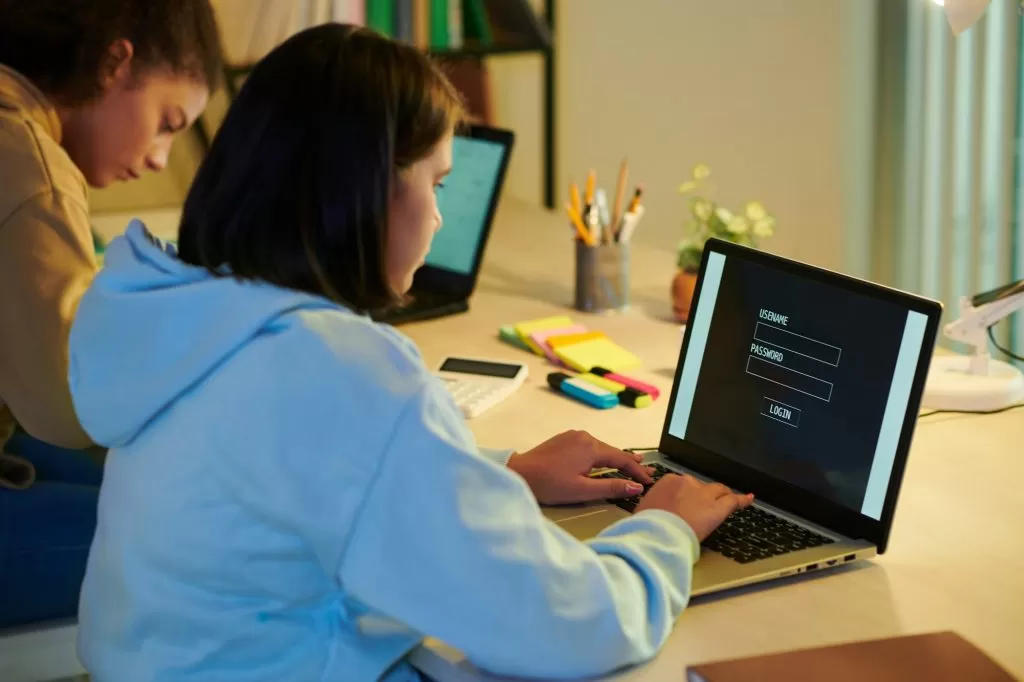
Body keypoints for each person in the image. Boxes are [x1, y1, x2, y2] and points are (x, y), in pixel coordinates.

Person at [68, 23, 753, 681]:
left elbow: (314, 470)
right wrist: (665, 531)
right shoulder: (341, 371)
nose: (438, 216)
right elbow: (567, 624)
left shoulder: (189, 318)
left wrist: (503, 470)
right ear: (368, 190)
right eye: (437, 183)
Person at [0, 0, 222, 628]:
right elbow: (71, 405)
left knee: (157, 482)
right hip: (42, 418)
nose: (159, 156)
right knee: (215, 539)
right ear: (113, 64)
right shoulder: (29, 166)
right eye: (167, 121)